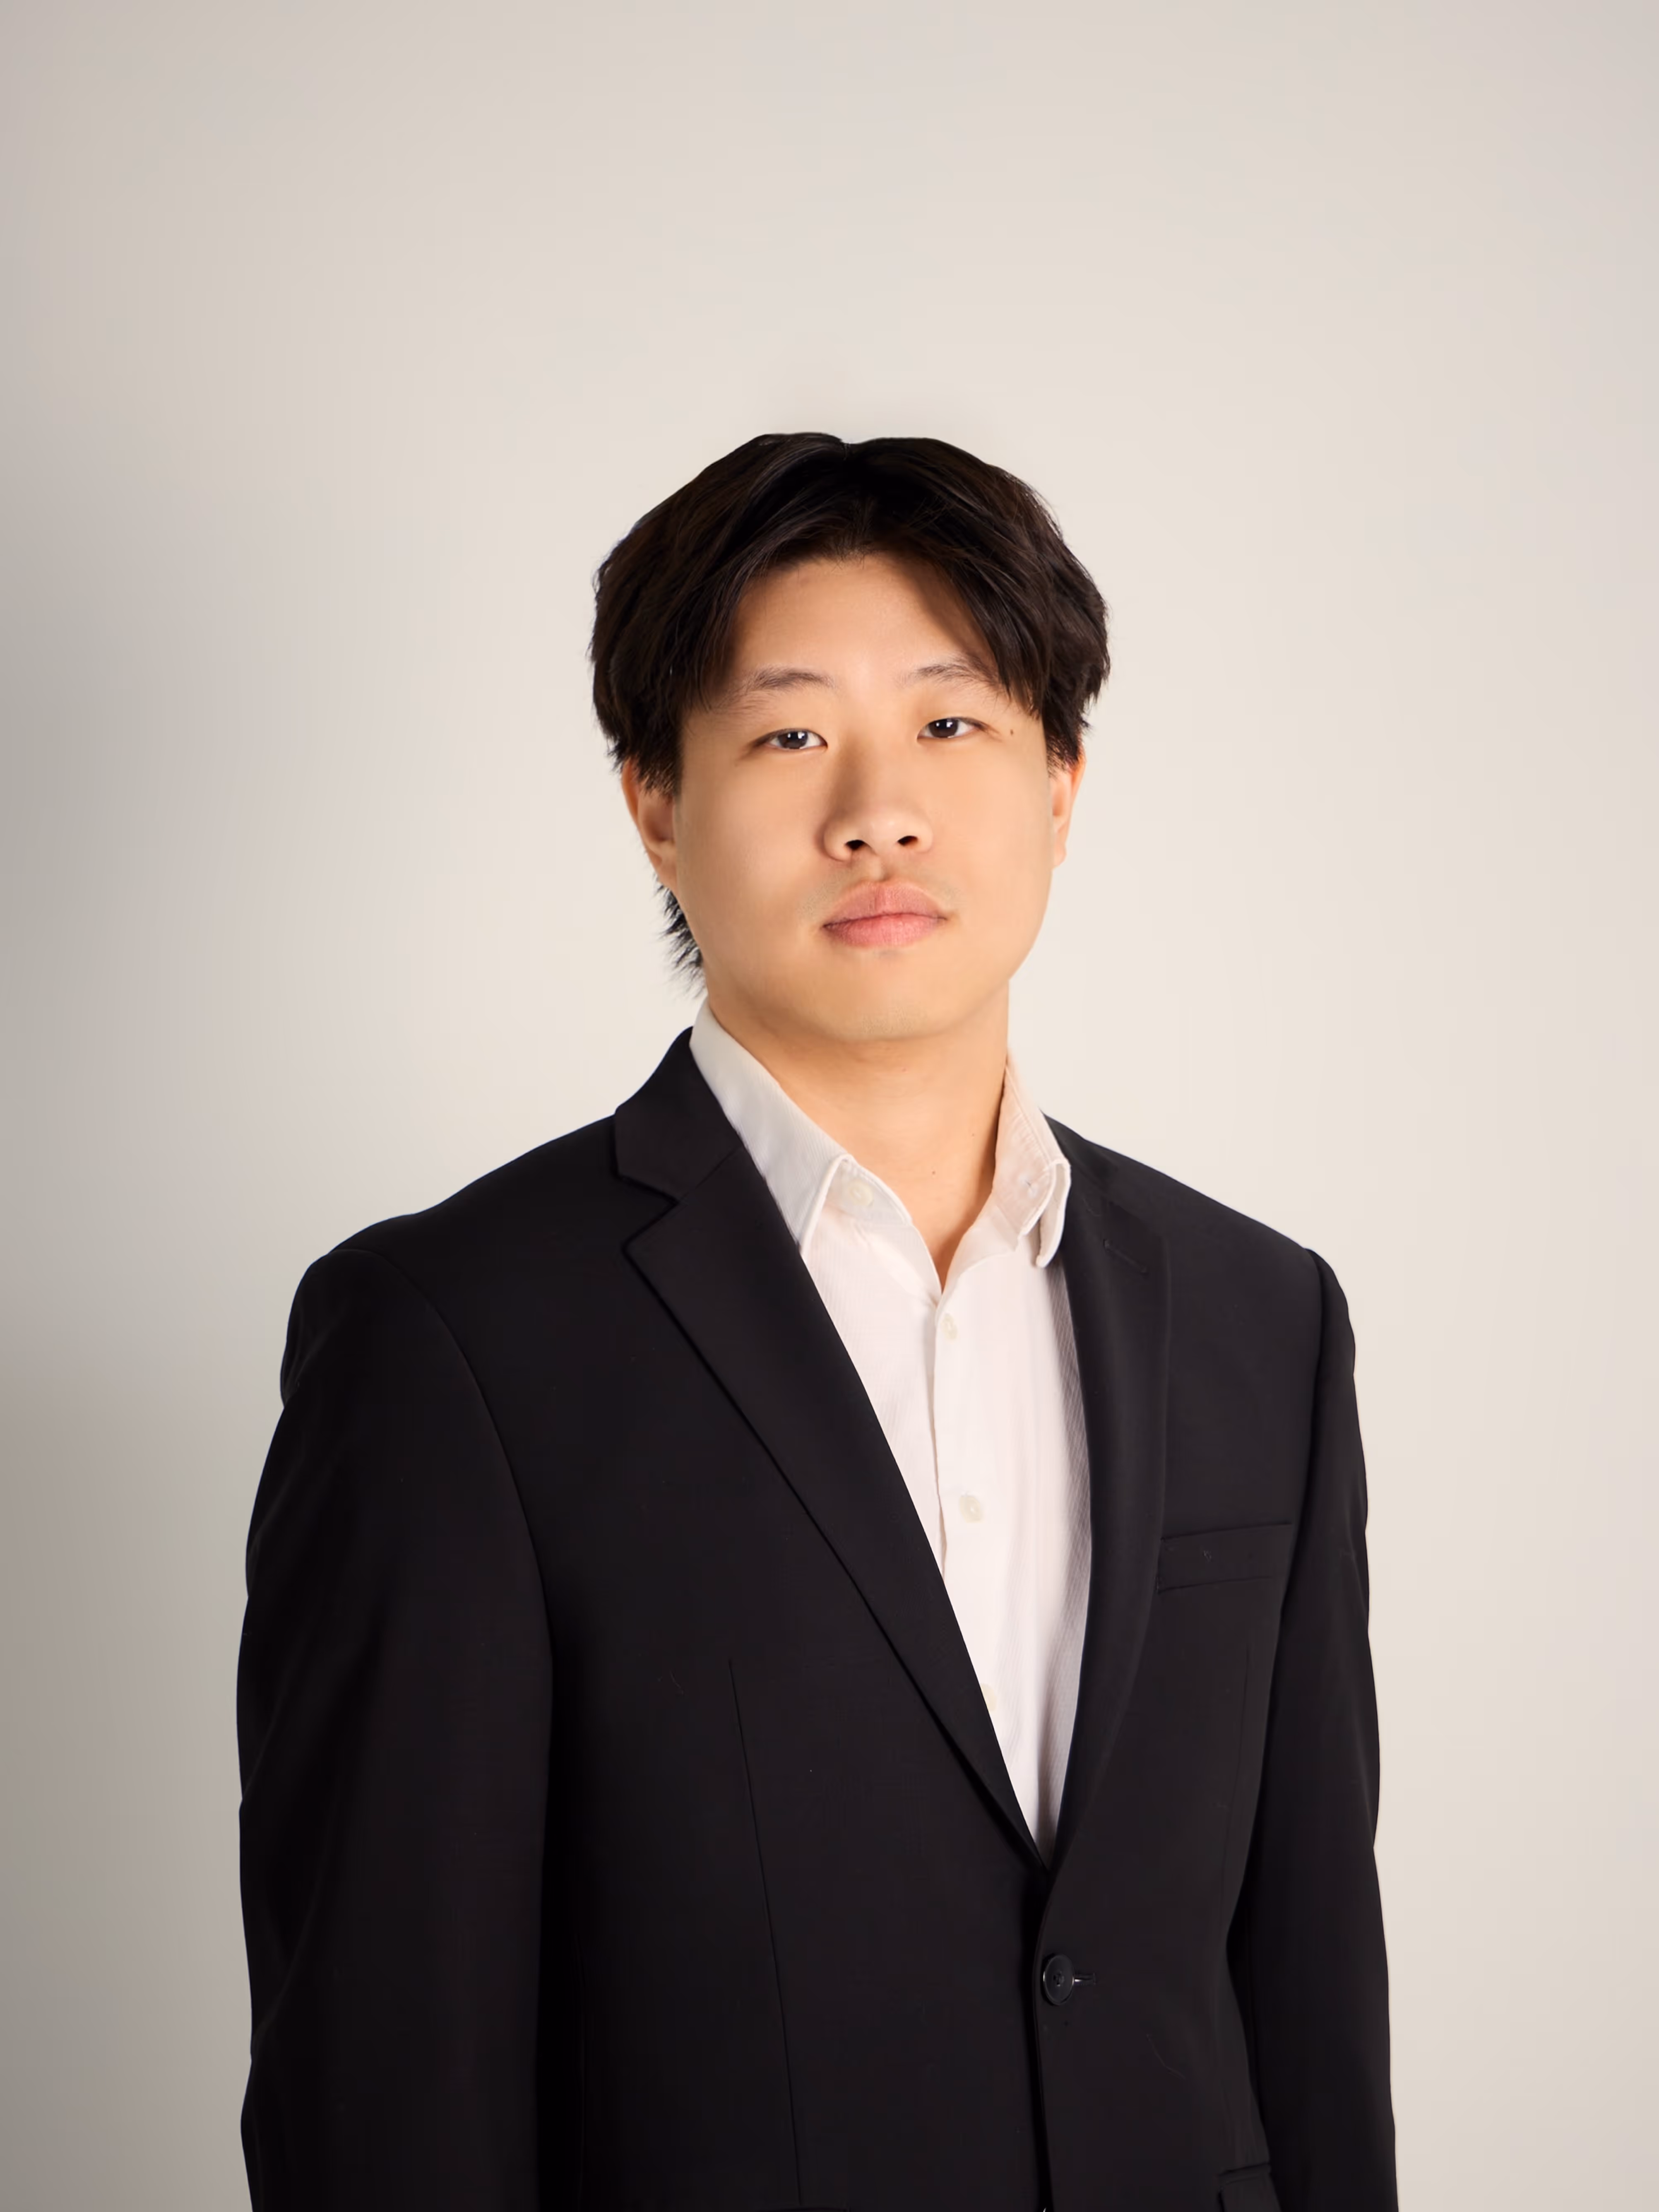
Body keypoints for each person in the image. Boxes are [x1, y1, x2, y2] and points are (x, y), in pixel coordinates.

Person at [236, 433, 1397, 2212]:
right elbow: (387, 2090)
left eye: (952, 721)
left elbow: (1310, 1997)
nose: (879, 811)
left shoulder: (1263, 1318)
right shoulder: (452, 1341)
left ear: (1063, 782)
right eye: (789, 736)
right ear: (655, 800)